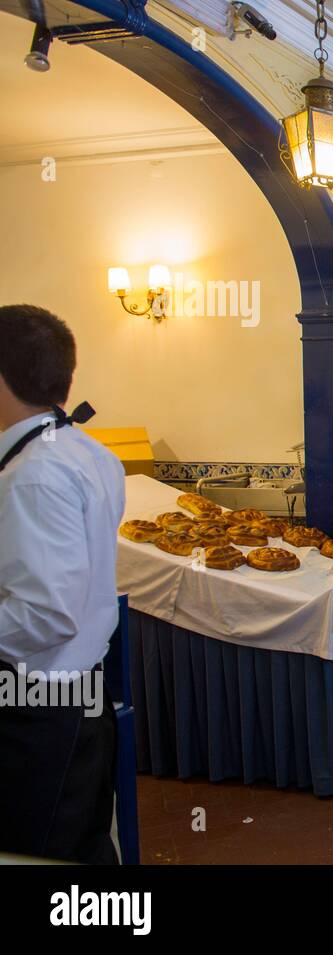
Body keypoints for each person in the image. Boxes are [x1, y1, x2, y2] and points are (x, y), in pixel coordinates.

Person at [0, 304, 125, 864]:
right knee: (78, 844)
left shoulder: (33, 475)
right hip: (78, 693)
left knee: (44, 850)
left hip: (37, 705)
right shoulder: (87, 453)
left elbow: (44, 616)